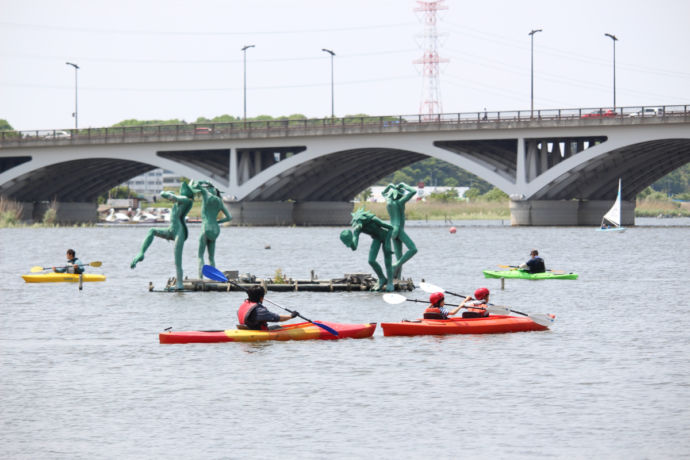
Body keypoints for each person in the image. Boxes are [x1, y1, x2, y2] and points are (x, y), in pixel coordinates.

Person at [130, 182, 195, 290]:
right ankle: (141, 253)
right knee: (152, 230)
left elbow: (170, 196)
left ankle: (179, 284)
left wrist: (164, 192)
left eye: (184, 188)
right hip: (171, 230)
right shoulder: (181, 199)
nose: (182, 189)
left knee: (177, 260)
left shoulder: (186, 199)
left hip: (179, 232)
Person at [339, 208, 395, 292]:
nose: (358, 224)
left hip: (385, 236)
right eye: (357, 223)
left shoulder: (373, 219)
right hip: (376, 239)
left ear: (364, 218)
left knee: (387, 262)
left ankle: (390, 282)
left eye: (360, 222)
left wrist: (387, 243)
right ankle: (382, 278)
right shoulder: (358, 229)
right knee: (371, 260)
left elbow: (391, 228)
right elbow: (354, 247)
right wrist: (350, 242)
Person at [189, 180, 232, 278]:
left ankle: (200, 277)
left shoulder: (206, 197)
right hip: (215, 230)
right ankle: (214, 277)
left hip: (206, 227)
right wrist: (218, 222)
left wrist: (202, 181)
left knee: (200, 255)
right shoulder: (219, 201)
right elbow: (229, 217)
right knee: (211, 257)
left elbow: (194, 185)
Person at [382, 182, 418, 279]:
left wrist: (389, 185)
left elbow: (383, 193)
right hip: (398, 228)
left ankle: (396, 278)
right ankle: (395, 265)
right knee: (413, 249)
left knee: (399, 255)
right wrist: (403, 185)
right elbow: (413, 191)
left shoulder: (388, 201)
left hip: (391, 229)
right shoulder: (399, 202)